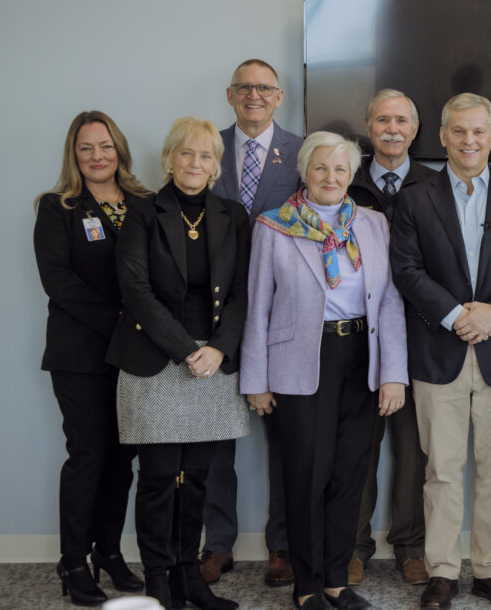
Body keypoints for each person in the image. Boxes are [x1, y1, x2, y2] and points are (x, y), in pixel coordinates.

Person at [390, 93, 491, 610]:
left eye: (479, 132)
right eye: (459, 131)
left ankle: (489, 570)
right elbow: (407, 269)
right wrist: (458, 315)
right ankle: (442, 571)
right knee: (441, 469)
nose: (469, 140)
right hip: (440, 352)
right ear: (442, 135)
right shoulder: (415, 197)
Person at [240, 131, 408, 610]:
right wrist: (256, 381)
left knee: (350, 476)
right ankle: (308, 586)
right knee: (306, 478)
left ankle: (336, 579)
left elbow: (390, 302)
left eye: (340, 169)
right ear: (304, 172)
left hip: (363, 360)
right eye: (321, 168)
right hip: (299, 366)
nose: (331, 178)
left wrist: (394, 373)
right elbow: (258, 308)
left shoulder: (374, 225)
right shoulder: (274, 227)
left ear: (351, 175)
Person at [108, 116, 251, 610]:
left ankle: (191, 578)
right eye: (187, 154)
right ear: (169, 158)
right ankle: (160, 582)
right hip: (155, 360)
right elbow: (136, 291)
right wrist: (186, 349)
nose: (196, 163)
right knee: (158, 480)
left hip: (213, 362)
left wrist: (218, 348)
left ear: (216, 165)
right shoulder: (142, 212)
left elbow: (241, 292)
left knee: (198, 479)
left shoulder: (233, 215)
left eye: (206, 156)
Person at [34, 111, 152, 606]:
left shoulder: (144, 204)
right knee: (88, 456)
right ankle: (73, 561)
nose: (97, 156)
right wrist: (123, 326)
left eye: (105, 146)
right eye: (86, 148)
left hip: (134, 356)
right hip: (80, 354)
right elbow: (59, 284)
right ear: (73, 155)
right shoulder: (57, 207)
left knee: (123, 460)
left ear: (119, 150)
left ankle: (108, 551)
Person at [204, 58, 303, 587]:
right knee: (216, 439)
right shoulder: (204, 147)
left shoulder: (303, 153)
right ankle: (217, 544)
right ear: (229, 94)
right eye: (245, 87)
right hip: (214, 322)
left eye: (264, 88)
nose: (254, 95)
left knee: (285, 443)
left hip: (279, 319)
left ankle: (282, 545)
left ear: (280, 96)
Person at [347, 89, 434, 587]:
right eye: (382, 120)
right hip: (359, 337)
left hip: (421, 337)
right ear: (368, 126)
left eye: (402, 120)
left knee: (415, 450)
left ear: (416, 129)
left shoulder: (435, 184)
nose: (392, 129)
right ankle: (354, 546)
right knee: (358, 448)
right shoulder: (344, 180)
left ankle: (411, 546)